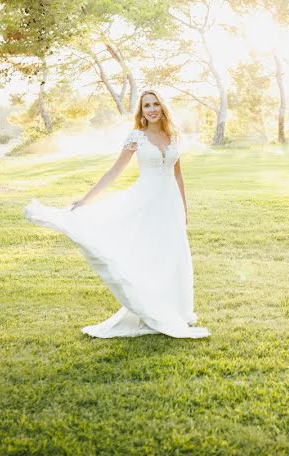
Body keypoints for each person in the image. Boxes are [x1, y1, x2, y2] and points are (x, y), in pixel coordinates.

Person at [24, 89, 209, 340]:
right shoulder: (137, 137)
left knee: (171, 256)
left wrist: (184, 210)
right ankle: (149, 311)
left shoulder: (173, 135)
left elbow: (178, 175)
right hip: (145, 202)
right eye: (146, 106)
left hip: (170, 205)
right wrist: (86, 199)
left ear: (162, 107)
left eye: (155, 104)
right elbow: (114, 172)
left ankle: (172, 309)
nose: (152, 109)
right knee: (148, 256)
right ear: (141, 111)